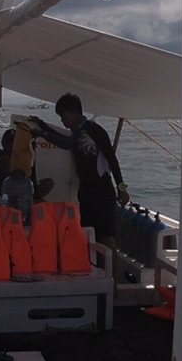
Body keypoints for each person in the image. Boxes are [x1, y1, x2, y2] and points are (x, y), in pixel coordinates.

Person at [24, 93, 128, 248]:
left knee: (105, 235)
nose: (62, 121)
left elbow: (112, 160)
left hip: (102, 190)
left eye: (63, 116)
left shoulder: (94, 130)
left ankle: (114, 271)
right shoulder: (77, 132)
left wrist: (122, 188)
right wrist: (42, 125)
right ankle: (98, 268)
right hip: (86, 190)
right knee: (89, 231)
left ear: (75, 113)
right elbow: (67, 142)